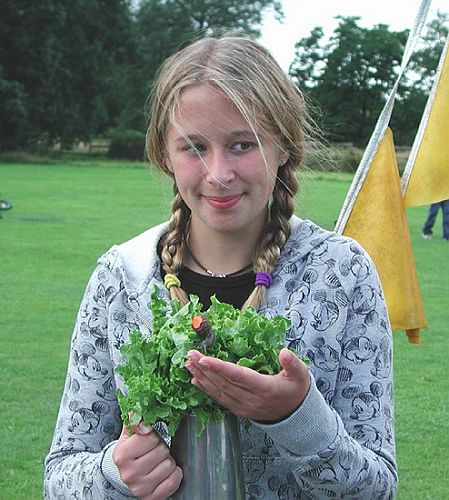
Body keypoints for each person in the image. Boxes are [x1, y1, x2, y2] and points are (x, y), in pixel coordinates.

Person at [44, 36, 397, 499]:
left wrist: (297, 419)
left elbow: (378, 489)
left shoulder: (342, 273)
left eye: (242, 144)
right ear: (163, 154)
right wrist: (115, 473)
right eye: (194, 147)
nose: (218, 173)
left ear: (283, 146)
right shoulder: (121, 279)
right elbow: (60, 478)